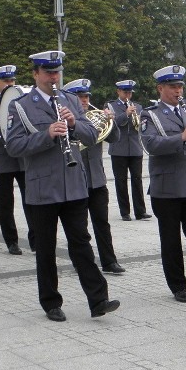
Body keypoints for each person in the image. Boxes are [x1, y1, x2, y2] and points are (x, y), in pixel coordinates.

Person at [5, 51, 120, 322]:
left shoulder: (70, 99)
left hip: (74, 185)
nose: (54, 77)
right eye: (48, 72)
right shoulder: (20, 105)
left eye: (57, 72)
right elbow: (13, 146)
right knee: (45, 248)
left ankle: (98, 299)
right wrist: (46, 135)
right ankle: (51, 302)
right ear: (36, 74)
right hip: (42, 188)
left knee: (81, 243)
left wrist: (73, 123)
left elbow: (92, 135)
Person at [140, 65, 186, 302]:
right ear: (160, 88)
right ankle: (177, 286)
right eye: (173, 86)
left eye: (180, 86)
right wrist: (182, 136)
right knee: (171, 240)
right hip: (167, 188)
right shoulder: (149, 115)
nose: (178, 91)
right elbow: (151, 145)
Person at [63, 79, 125, 275]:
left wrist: (111, 121)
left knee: (102, 223)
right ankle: (81, 261)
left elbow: (114, 139)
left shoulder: (93, 118)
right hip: (75, 178)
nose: (84, 100)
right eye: (80, 97)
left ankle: (109, 261)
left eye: (87, 97)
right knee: (78, 227)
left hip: (97, 178)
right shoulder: (64, 120)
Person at [0, 65, 35, 255]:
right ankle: (11, 241)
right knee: (5, 202)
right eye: (6, 81)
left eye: (12, 81)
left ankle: (35, 238)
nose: (11, 84)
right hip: (3, 158)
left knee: (31, 199)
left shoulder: (23, 100)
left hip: (22, 157)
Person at [107, 80, 150, 221]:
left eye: (130, 92)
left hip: (135, 148)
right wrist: (126, 114)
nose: (128, 95)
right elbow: (112, 124)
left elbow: (141, 125)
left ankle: (140, 211)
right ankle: (125, 212)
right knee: (121, 181)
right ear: (118, 92)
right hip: (118, 149)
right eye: (125, 92)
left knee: (137, 180)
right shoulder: (111, 106)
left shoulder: (138, 106)